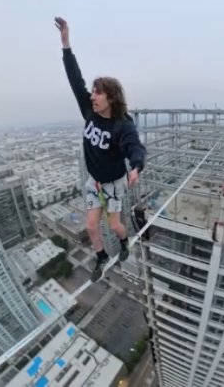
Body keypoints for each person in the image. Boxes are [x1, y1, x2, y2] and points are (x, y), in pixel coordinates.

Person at [55, 17, 146, 282]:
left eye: (98, 93)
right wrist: (65, 43)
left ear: (112, 98)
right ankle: (102, 257)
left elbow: (135, 148)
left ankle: (124, 241)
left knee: (114, 225)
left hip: (114, 182)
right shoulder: (90, 111)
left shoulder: (122, 126)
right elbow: (75, 80)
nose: (92, 96)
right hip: (94, 180)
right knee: (91, 226)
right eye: (93, 92)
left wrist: (136, 168)